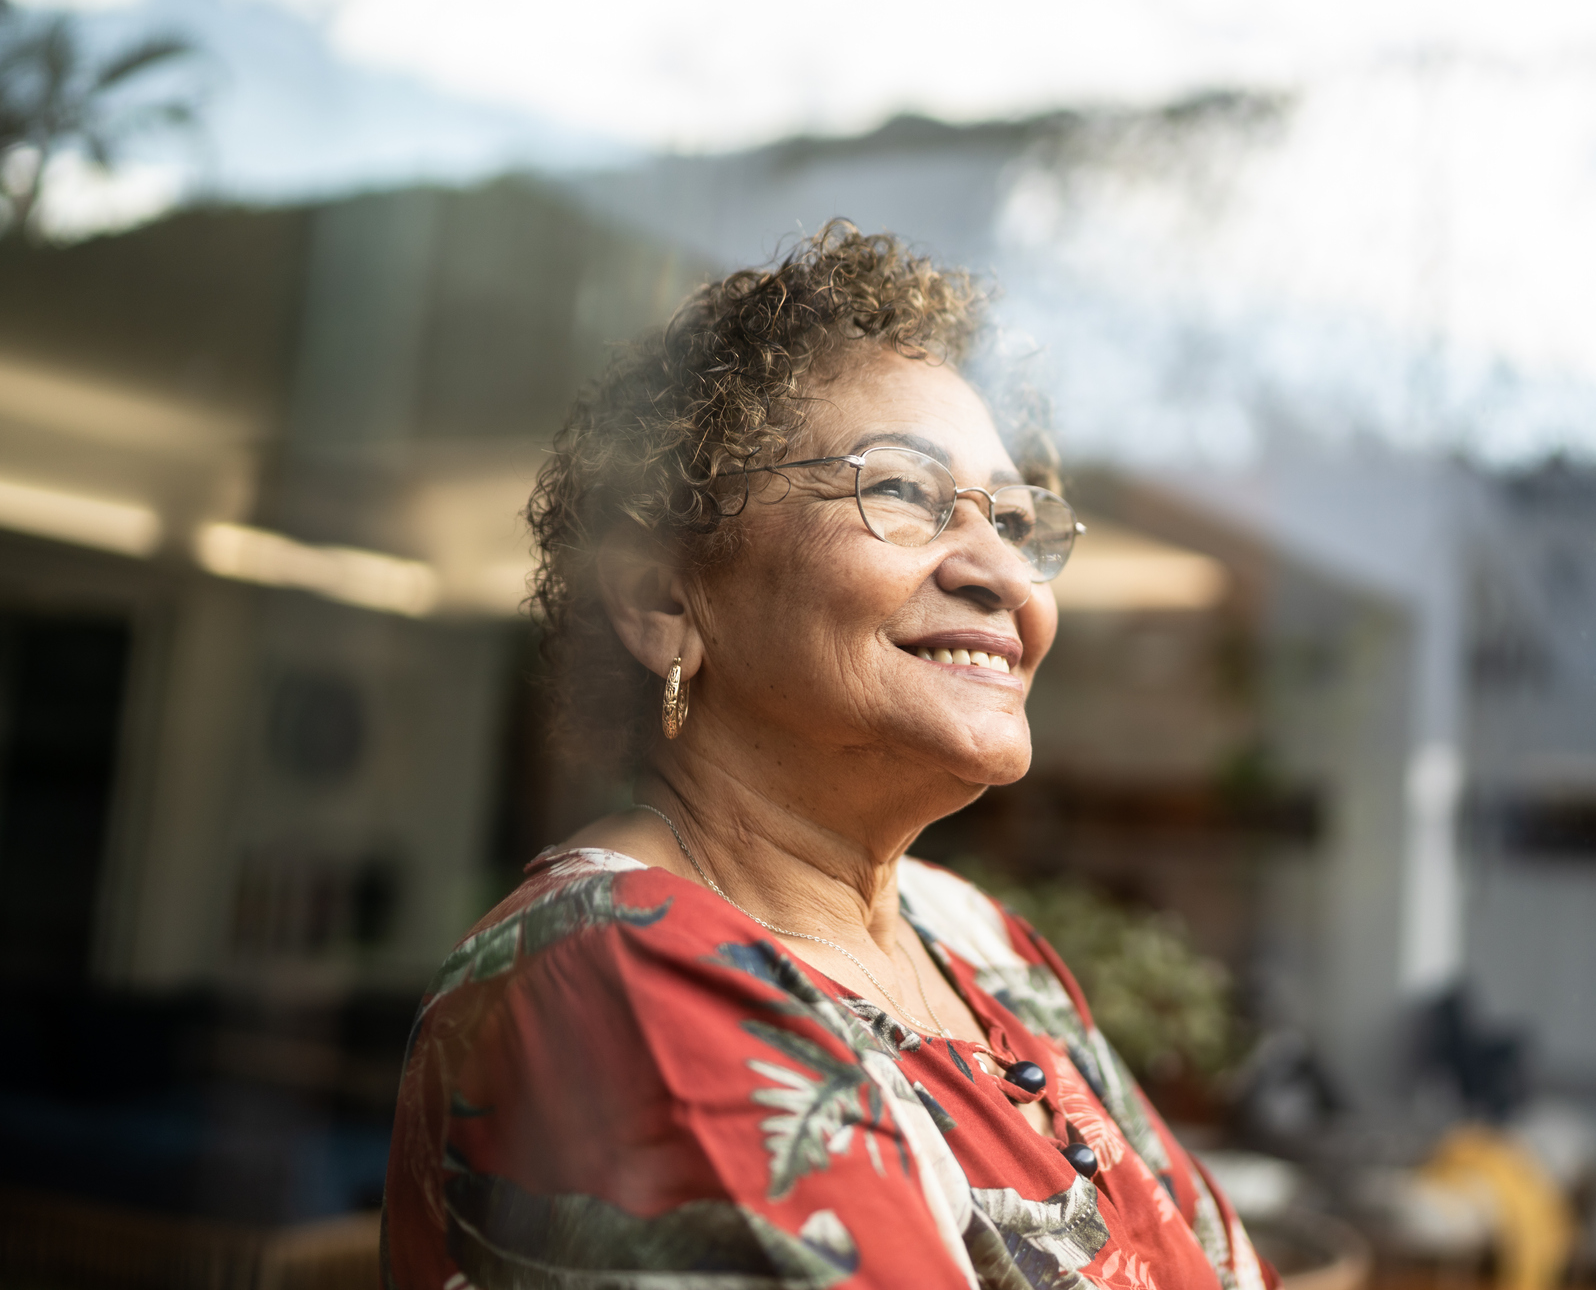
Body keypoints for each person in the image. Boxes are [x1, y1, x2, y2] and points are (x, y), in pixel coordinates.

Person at [383, 223, 1275, 1290]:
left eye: (1013, 518)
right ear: (663, 598)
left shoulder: (977, 941)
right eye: (900, 489)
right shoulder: (613, 968)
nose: (1002, 572)